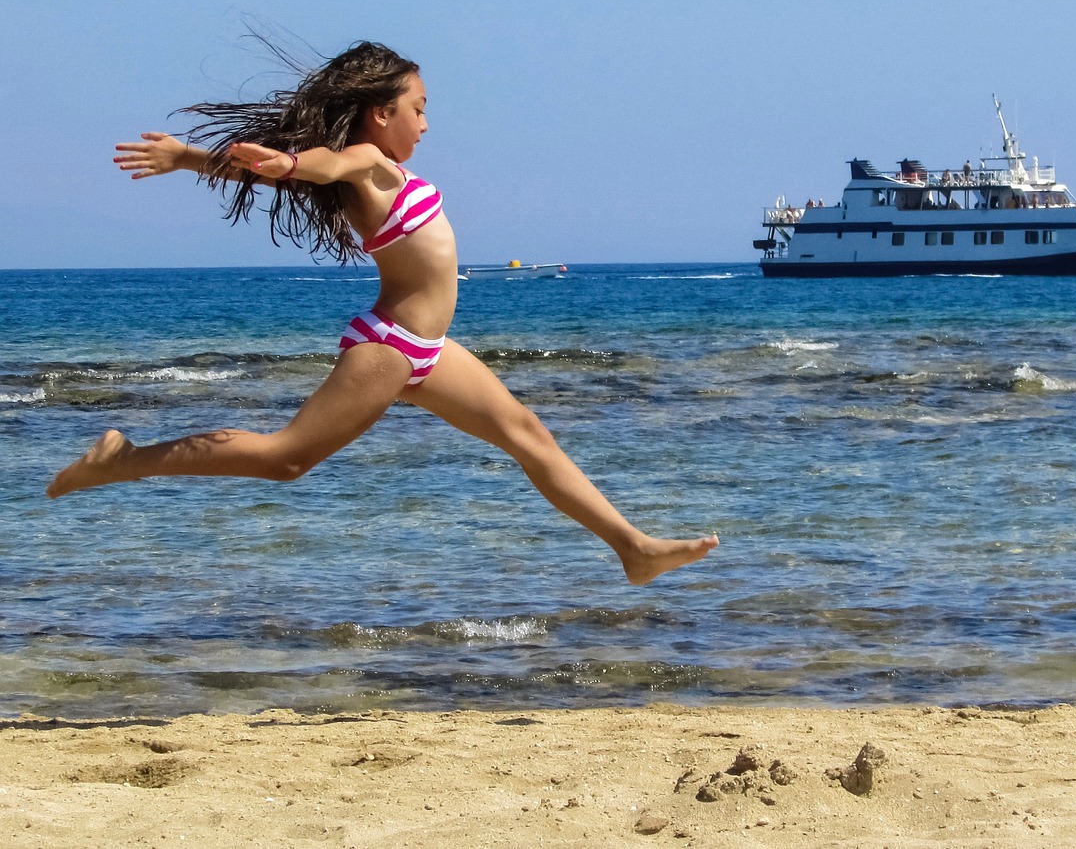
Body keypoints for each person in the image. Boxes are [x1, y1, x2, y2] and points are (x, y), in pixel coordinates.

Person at [46, 40, 718, 585]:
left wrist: (198, 158)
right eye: (418, 109)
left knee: (526, 433)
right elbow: (323, 164)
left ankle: (633, 547)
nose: (426, 124)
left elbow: (295, 168)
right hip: (392, 345)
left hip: (428, 350)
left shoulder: (383, 170)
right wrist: (277, 161)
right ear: (380, 114)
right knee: (286, 459)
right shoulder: (372, 163)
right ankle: (125, 459)